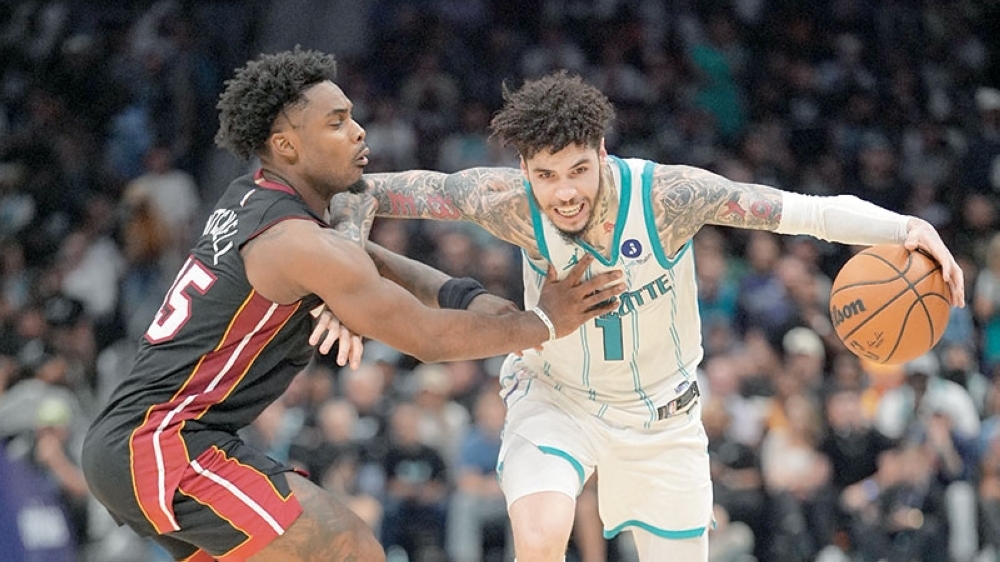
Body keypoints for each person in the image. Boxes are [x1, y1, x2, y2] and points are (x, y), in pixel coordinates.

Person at [326, 70, 965, 562]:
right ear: (524, 170)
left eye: (579, 168)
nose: (566, 191)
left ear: (602, 151)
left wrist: (907, 226)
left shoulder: (666, 198)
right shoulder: (506, 202)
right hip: (559, 399)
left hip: (665, 417)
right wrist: (346, 277)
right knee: (542, 537)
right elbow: (360, 191)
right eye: (547, 176)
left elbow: (804, 210)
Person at [80, 50, 623, 562]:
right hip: (163, 441)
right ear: (287, 146)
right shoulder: (296, 242)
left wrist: (469, 297)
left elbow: (373, 261)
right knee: (351, 547)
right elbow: (426, 339)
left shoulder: (255, 197)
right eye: (336, 122)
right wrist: (544, 322)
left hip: (153, 439)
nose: (358, 130)